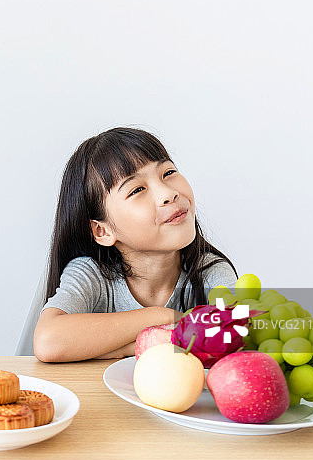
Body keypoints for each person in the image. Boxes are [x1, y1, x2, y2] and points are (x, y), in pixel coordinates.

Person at [21, 127, 236, 361]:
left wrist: (132, 345)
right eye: (137, 189)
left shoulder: (210, 272)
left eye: (168, 172)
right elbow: (48, 341)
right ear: (103, 231)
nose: (168, 193)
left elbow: (236, 339)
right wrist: (161, 318)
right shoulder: (91, 275)